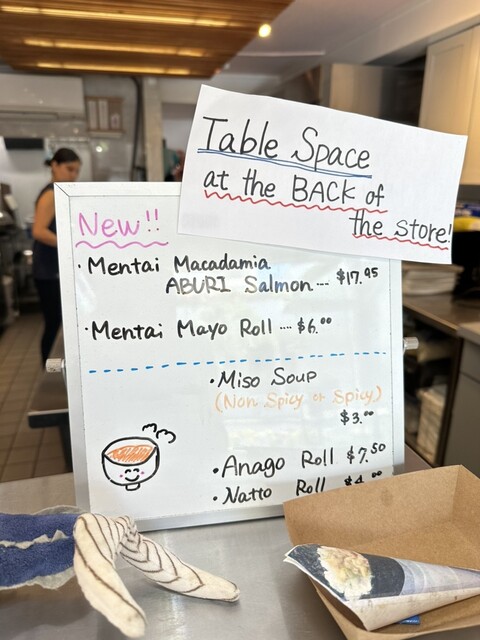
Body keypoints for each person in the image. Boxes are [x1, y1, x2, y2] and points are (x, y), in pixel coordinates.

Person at [32, 147, 81, 365]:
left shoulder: (58, 192)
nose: (73, 175)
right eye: (69, 169)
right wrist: (69, 244)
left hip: (52, 268)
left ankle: (52, 366)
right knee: (53, 322)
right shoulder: (51, 194)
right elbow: (39, 231)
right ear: (54, 165)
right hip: (48, 269)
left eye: (77, 171)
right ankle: (48, 368)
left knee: (57, 321)